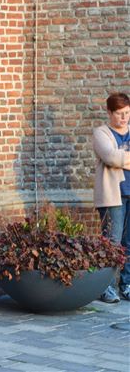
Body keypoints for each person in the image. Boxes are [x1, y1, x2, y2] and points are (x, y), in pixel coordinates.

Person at [92, 92, 130, 303]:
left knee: (129, 243)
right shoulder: (101, 133)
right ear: (109, 112)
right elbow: (109, 156)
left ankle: (127, 284)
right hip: (113, 197)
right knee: (111, 244)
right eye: (119, 114)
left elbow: (118, 159)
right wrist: (119, 159)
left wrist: (121, 159)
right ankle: (104, 287)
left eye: (126, 113)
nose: (123, 118)